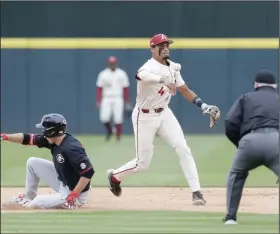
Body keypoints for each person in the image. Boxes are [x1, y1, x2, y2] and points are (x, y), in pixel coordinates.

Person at [107, 33, 220, 205]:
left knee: (183, 148)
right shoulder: (148, 67)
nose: (166, 47)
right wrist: (163, 80)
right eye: (161, 45)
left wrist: (202, 105)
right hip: (144, 116)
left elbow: (184, 89)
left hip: (164, 113)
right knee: (143, 164)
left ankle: (197, 192)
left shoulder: (173, 67)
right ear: (152, 49)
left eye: (167, 45)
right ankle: (115, 177)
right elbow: (140, 76)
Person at [1, 113, 95, 209]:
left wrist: (74, 195)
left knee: (37, 202)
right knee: (32, 162)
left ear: (52, 132)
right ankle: (28, 198)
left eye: (45, 129)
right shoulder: (56, 140)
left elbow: (88, 172)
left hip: (75, 193)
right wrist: (5, 137)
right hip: (64, 182)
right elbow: (28, 138)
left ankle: (29, 204)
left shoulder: (71, 148)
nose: (43, 132)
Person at [223, 70, 279, 224]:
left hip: (250, 141)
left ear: (256, 85)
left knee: (236, 175)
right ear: (275, 86)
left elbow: (230, 123)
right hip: (276, 141)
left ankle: (230, 217)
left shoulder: (246, 98)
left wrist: (241, 143)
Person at [96, 56, 131, 141]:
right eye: (111, 63)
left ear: (116, 63)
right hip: (106, 97)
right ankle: (110, 131)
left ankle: (118, 136)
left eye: (113, 63)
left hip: (118, 97)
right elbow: (99, 88)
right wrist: (98, 100)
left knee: (118, 117)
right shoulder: (103, 74)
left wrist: (127, 101)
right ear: (108, 64)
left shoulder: (121, 73)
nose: (112, 65)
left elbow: (125, 88)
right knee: (104, 117)